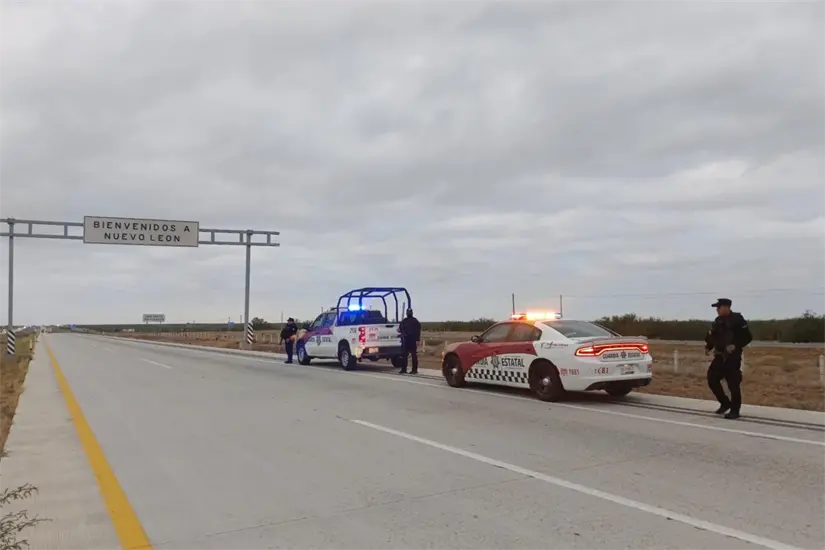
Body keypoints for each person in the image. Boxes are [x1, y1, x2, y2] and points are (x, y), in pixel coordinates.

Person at [704, 298, 752, 419]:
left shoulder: (737, 320)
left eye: (718, 307)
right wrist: (708, 346)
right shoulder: (718, 320)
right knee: (712, 378)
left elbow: (748, 337)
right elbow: (713, 336)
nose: (717, 310)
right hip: (720, 355)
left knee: (733, 383)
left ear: (726, 307)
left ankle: (735, 410)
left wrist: (736, 345)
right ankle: (725, 403)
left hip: (733, 356)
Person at [398, 308, 421, 375]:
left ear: (406, 313)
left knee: (405, 355)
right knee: (413, 355)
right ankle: (414, 370)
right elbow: (418, 331)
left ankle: (404, 369)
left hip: (407, 340)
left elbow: (399, 330)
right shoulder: (415, 321)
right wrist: (418, 340)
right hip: (412, 340)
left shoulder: (404, 321)